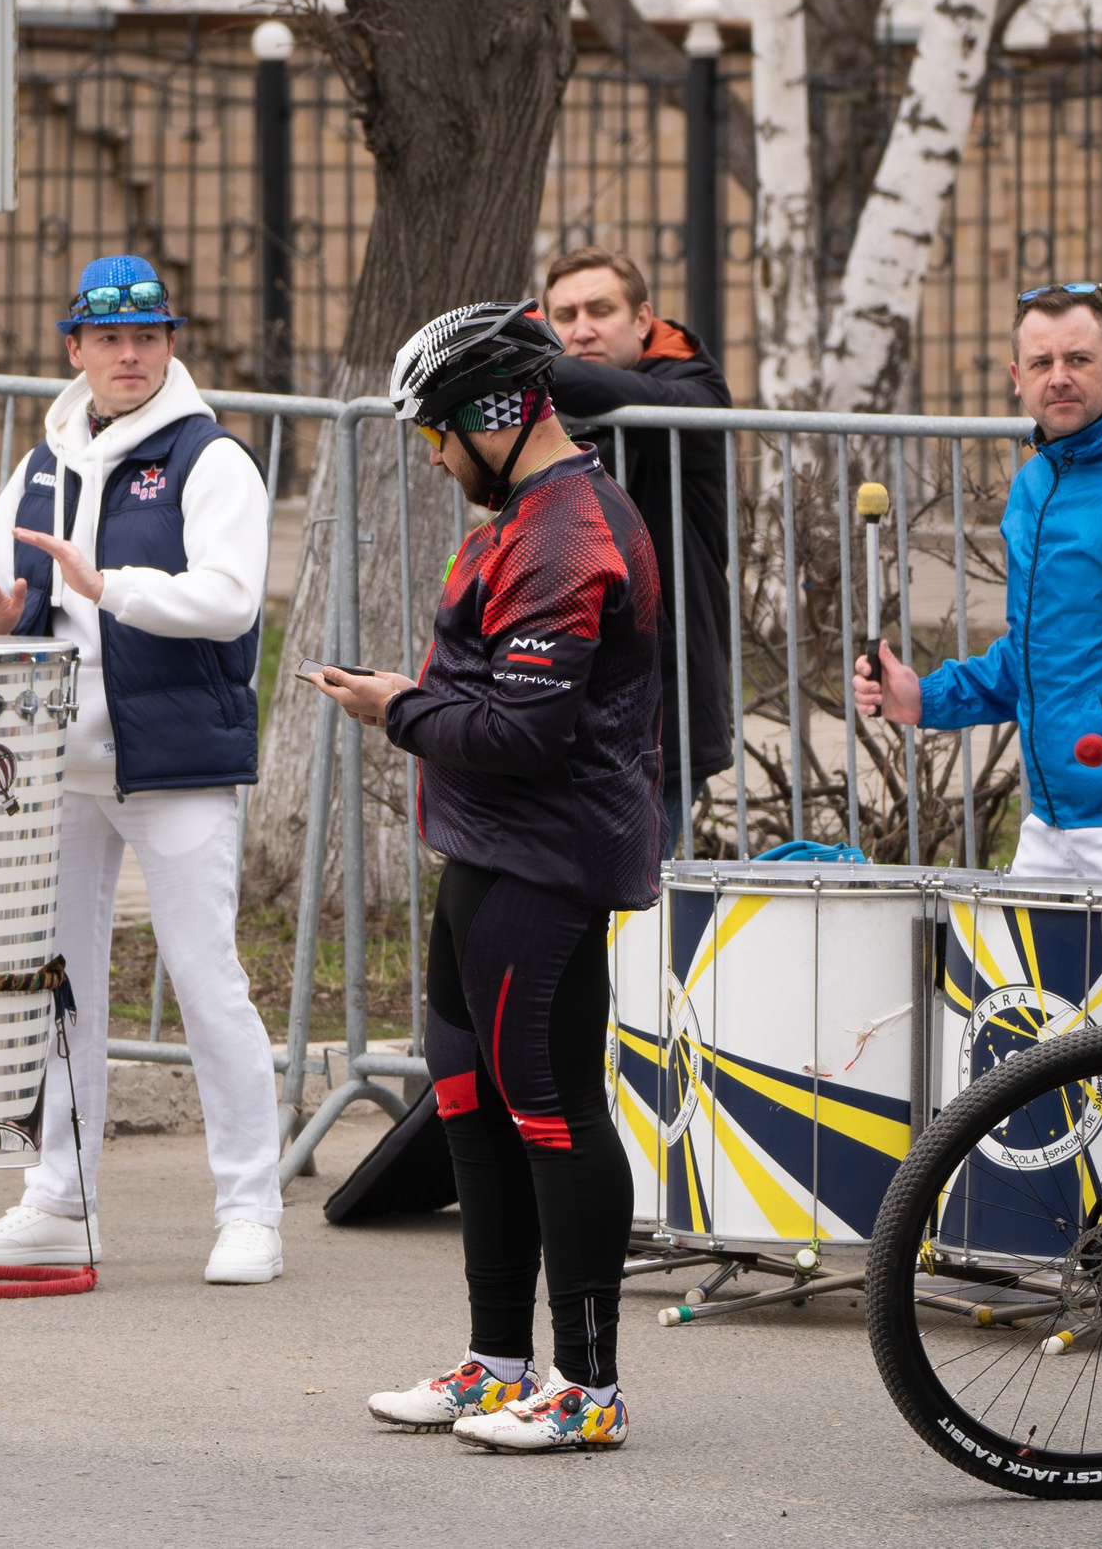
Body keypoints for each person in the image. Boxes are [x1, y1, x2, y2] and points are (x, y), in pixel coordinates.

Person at [309, 301, 656, 1453]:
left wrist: (390, 707)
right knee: (467, 1103)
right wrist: (405, 701)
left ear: (494, 415)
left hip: (543, 862)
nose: (433, 454)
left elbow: (525, 733)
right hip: (484, 855)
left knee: (551, 1113)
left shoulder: (566, 532)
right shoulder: (523, 510)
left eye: (435, 433)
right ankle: (498, 1362)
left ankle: (590, 1389)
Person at [0, 254, 283, 1286]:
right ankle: (61, 1198)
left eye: (146, 337)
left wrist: (114, 586)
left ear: (170, 345)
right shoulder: (44, 459)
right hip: (60, 761)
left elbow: (229, 599)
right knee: (58, 987)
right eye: (106, 339)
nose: (127, 355)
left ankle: (250, 1209)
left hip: (173, 759)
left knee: (203, 977)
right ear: (75, 349)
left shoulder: (210, 457)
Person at [853, 283, 1102, 893]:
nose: (1059, 377)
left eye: (1079, 359)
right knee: (1014, 993)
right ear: (1018, 376)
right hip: (1049, 823)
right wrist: (926, 698)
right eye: (1042, 363)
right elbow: (1036, 656)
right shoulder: (1035, 484)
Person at [540, 248, 733, 852]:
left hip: (661, 703)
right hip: (562, 688)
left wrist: (524, 368)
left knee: (629, 903)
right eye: (564, 315)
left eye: (601, 309)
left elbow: (620, 393)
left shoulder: (693, 385)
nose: (582, 328)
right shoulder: (550, 409)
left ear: (644, 319)